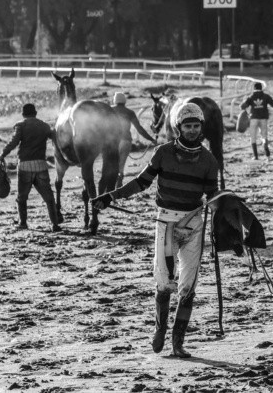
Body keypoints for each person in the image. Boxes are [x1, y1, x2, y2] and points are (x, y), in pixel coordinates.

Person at [92, 102, 220, 358]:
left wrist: (221, 218)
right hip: (166, 223)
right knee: (164, 284)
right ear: (178, 127)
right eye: (188, 126)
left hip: (194, 225)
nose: (193, 130)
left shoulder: (209, 159)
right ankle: (160, 329)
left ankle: (178, 343)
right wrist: (110, 197)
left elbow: (213, 196)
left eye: (196, 126)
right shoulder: (162, 152)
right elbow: (141, 182)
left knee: (188, 287)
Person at [0, 103, 61, 232]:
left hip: (25, 166)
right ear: (35, 113)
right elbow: (55, 137)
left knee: (22, 197)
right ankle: (55, 224)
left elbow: (14, 142)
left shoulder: (20, 125)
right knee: (49, 197)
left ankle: (23, 223)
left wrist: (2, 154)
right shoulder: (44, 126)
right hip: (41, 165)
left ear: (23, 114)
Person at [111, 91, 158, 188]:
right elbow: (139, 129)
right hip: (126, 141)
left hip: (112, 142)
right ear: (124, 101)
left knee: (111, 164)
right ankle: (118, 186)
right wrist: (151, 139)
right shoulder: (129, 112)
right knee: (121, 164)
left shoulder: (110, 111)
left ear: (114, 100)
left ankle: (110, 187)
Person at [240, 82, 273, 160]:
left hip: (253, 118)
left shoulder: (251, 97)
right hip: (263, 118)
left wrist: (244, 104)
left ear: (254, 88)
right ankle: (265, 146)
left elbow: (242, 106)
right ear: (261, 88)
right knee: (264, 136)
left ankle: (255, 156)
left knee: (253, 137)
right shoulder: (266, 96)